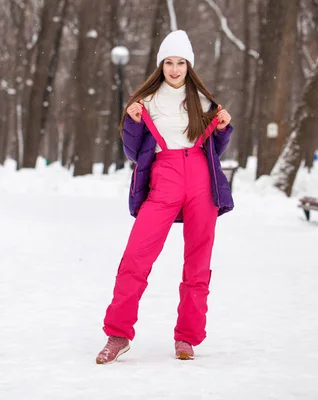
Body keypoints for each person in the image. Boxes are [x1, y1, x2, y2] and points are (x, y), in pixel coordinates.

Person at [96, 30, 233, 364]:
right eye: (169, 62)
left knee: (198, 265)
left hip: (202, 184)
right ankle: (118, 334)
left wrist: (224, 128)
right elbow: (133, 152)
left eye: (181, 62)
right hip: (164, 179)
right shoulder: (147, 103)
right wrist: (131, 122)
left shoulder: (204, 102)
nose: (174, 69)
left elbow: (215, 150)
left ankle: (187, 337)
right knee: (135, 258)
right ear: (161, 66)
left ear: (189, 66)